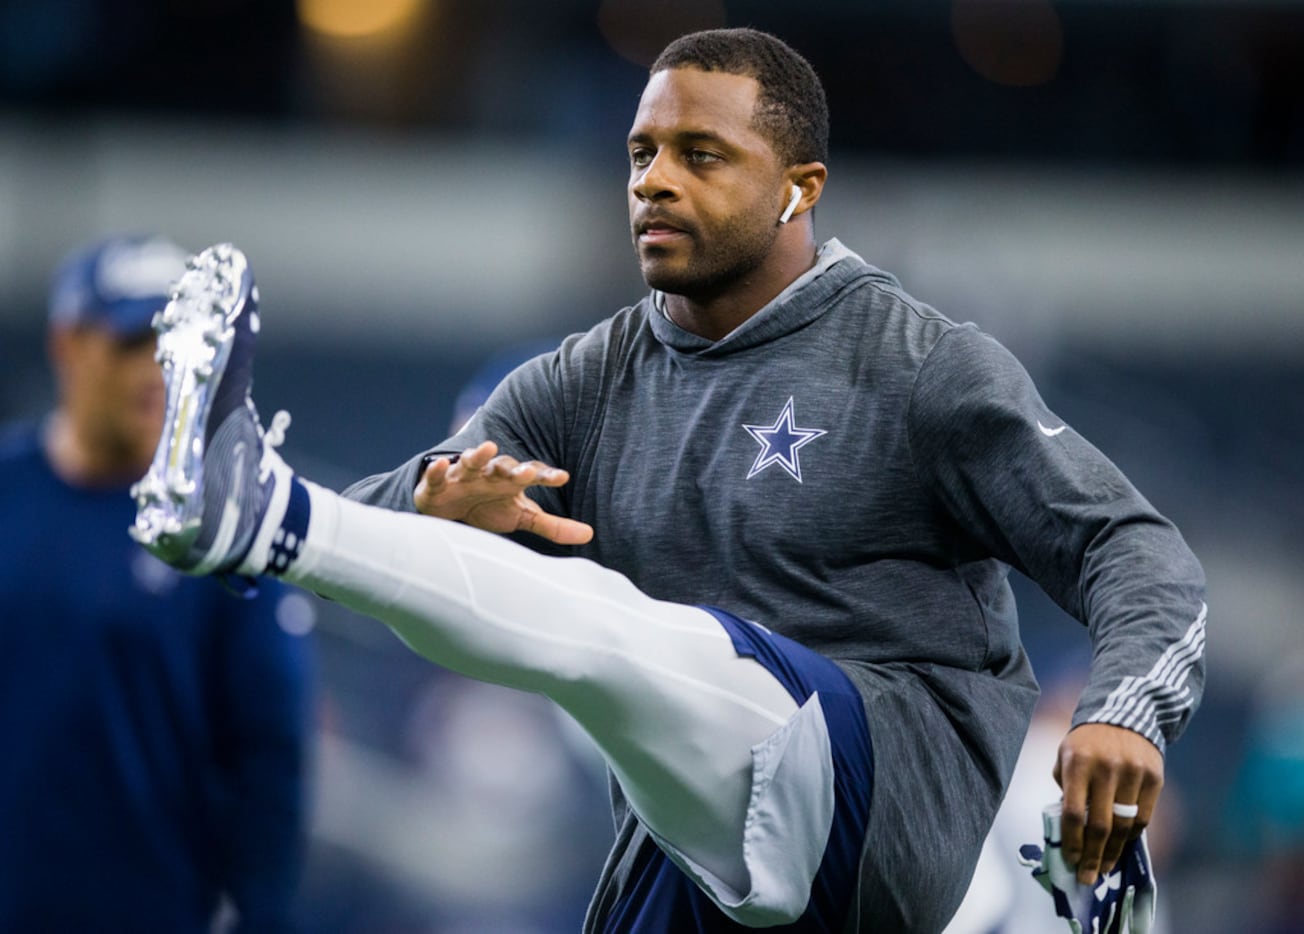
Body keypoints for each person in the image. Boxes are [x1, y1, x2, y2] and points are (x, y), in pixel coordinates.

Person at [131, 26, 1206, 934]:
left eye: (701, 153)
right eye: (641, 150)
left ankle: (1043, 896)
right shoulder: (588, 374)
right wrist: (423, 506)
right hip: (699, 849)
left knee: (609, 620)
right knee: (568, 612)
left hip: (888, 815)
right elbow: (383, 545)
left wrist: (1124, 710)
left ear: (799, 187)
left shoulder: (918, 360)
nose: (653, 178)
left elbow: (1136, 550)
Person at [0, 234, 314, 932]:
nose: (159, 368)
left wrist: (260, 917)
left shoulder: (228, 519)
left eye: (176, 342)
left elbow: (270, 754)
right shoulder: (7, 494)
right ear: (67, 346)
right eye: (131, 342)